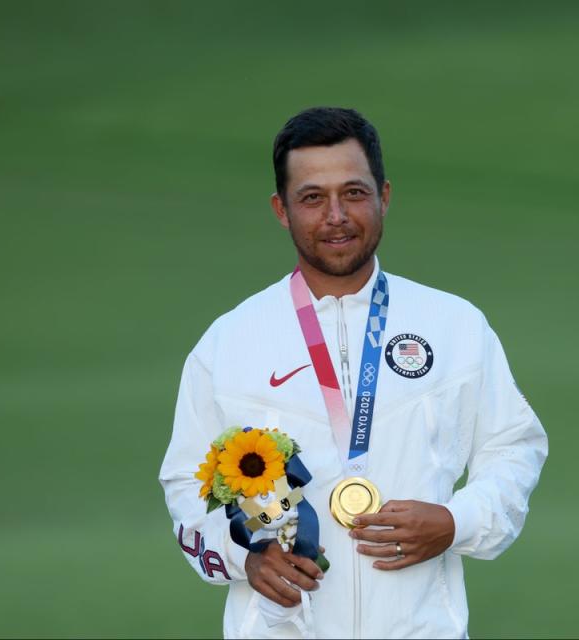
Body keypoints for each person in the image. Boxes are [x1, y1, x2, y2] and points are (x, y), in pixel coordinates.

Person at [159, 106, 548, 639]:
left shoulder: (454, 325)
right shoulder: (230, 342)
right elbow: (185, 482)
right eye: (313, 197)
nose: (336, 215)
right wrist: (240, 555)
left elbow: (514, 445)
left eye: (355, 193)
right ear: (282, 209)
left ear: (384, 196)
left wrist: (458, 522)